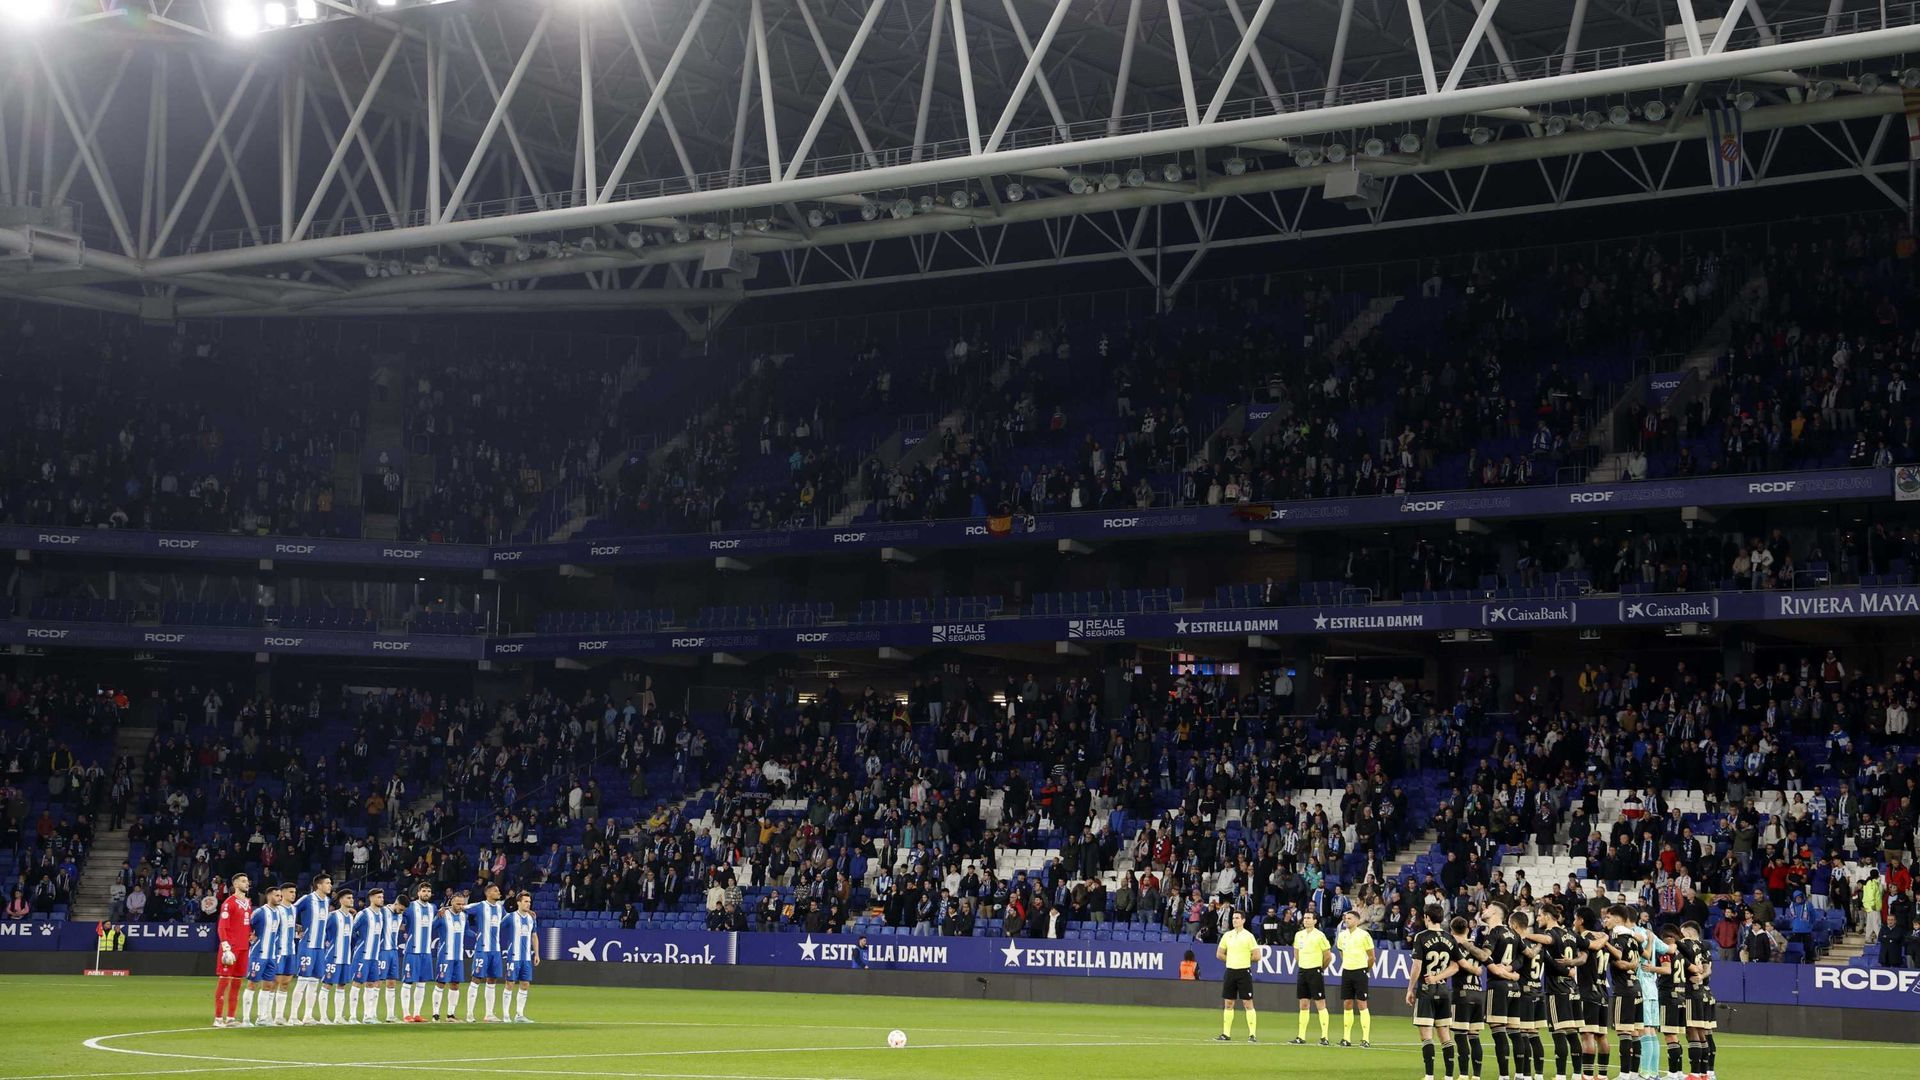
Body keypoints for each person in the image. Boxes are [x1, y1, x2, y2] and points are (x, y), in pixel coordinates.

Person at [1406, 902, 1462, 1080]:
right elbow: (1455, 966)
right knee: (1445, 1035)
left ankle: (1429, 1076)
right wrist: (1439, 978)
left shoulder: (1421, 936)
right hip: (1444, 990)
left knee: (1426, 1036)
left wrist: (1410, 988)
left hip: (1426, 990)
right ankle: (1448, 1076)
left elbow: (1417, 965)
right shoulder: (1450, 938)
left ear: (1427, 917)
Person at [1536, 903, 1587, 1080]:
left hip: (1557, 989)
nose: (1538, 918)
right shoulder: (1571, 934)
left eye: (1539, 915)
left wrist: (1525, 934)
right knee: (1573, 1034)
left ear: (1548, 916)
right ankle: (1577, 1074)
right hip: (1573, 988)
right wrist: (1574, 964)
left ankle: (1559, 1075)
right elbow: (1587, 949)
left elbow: (1548, 950)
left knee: (1558, 1033)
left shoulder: (1550, 934)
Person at [1483, 901, 1528, 1080]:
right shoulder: (1515, 935)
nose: (1484, 910)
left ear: (1494, 913)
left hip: (1498, 986)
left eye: (1488, 908)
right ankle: (1519, 1075)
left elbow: (1486, 957)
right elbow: (1521, 959)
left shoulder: (1494, 932)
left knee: (1499, 1033)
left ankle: (1503, 1076)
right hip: (1514, 989)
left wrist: (1503, 972)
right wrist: (1511, 972)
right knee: (1515, 1033)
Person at [1602, 905, 1645, 1080]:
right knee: (1635, 1033)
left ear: (1618, 919)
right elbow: (1644, 954)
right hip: (1636, 987)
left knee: (1624, 1032)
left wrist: (1605, 943)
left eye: (1608, 917)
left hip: (1624, 990)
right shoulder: (1633, 939)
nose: (1605, 920)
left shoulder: (1618, 937)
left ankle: (1624, 1074)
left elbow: (1618, 956)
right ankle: (1634, 1074)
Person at [1573, 906, 1612, 1080]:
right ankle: (1602, 1075)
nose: (1574, 922)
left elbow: (1583, 959)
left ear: (1581, 920)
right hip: (1603, 991)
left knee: (1587, 1034)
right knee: (1602, 1036)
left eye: (1575, 919)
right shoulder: (1602, 940)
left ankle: (1587, 1075)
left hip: (1588, 991)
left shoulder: (1585, 939)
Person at [290, 872, 334, 1024]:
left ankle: (308, 1015)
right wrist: (297, 929)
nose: (330, 885)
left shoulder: (327, 900)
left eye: (330, 883)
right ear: (319, 885)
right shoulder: (308, 899)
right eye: (327, 883)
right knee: (302, 981)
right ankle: (293, 1016)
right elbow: (290, 911)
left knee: (314, 982)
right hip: (307, 946)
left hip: (320, 948)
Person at [1449, 916, 1487, 1080]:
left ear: (1452, 931)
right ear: (1468, 930)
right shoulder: (1476, 949)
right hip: (1478, 993)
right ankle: (1477, 1076)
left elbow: (1453, 967)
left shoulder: (1453, 948)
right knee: (1475, 1036)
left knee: (1460, 1035)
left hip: (1462, 994)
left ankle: (1464, 1074)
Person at [212, 871, 252, 1029]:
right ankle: (217, 1018)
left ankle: (230, 1017)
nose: (246, 883)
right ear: (235, 884)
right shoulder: (229, 903)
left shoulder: (248, 903)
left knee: (236, 984)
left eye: (247, 881)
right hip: (231, 949)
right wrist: (226, 948)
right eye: (243, 881)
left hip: (243, 948)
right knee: (223, 983)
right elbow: (222, 927)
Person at [1678, 921, 1718, 1078]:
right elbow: (1708, 968)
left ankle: (1695, 1073)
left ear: (1687, 933)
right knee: (1704, 1034)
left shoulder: (1686, 945)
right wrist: (1701, 976)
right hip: (1704, 993)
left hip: (1691, 993)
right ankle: (1706, 1072)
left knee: (1692, 1031)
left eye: (1682, 933)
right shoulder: (1703, 947)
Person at [241, 883, 283, 1028]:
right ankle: (246, 1019)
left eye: (280, 896)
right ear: (269, 896)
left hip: (271, 955)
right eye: (277, 895)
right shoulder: (260, 912)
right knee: (252, 984)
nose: (279, 898)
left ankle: (261, 1017)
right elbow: (247, 927)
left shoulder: (278, 913)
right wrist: (250, 936)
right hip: (259, 954)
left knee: (268, 985)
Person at [466, 882, 507, 1022]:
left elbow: (512, 918)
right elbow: (462, 908)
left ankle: (489, 1014)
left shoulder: (501, 908)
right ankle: (470, 1014)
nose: (498, 892)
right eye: (495, 890)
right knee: (476, 979)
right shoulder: (480, 906)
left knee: (492, 980)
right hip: (482, 949)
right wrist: (446, 908)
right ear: (488, 893)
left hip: (495, 950)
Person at [1335, 908, 1376, 1047]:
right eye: (1346, 918)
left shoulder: (1364, 935)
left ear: (1357, 921)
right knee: (1347, 1003)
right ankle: (1346, 1038)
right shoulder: (1342, 936)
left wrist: (1365, 969)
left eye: (1350, 918)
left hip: (1360, 971)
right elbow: (1341, 952)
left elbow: (1371, 956)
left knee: (1362, 1004)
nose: (1347, 920)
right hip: (1347, 971)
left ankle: (1365, 1038)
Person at [1290, 909, 1332, 1045]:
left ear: (1315, 921)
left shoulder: (1320, 936)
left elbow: (1328, 956)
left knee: (1320, 1003)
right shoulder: (1299, 935)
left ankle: (1324, 1036)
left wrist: (1320, 968)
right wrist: (1302, 963)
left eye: (1309, 918)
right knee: (1303, 1004)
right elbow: (1296, 952)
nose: (1306, 920)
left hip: (1315, 971)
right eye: (1305, 918)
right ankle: (1301, 1036)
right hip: (1303, 971)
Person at [350, 887, 389, 1024]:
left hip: (374, 956)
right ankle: (353, 1016)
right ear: (371, 898)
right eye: (379, 897)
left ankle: (368, 1016)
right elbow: (352, 931)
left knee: (372, 984)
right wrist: (359, 945)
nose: (381, 899)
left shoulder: (381, 915)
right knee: (357, 983)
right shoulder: (364, 914)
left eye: (382, 897)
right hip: (362, 954)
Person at [319, 891, 358, 1024]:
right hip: (333, 956)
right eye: (348, 898)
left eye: (352, 897)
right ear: (341, 900)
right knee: (327, 985)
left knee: (341, 986)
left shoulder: (350, 917)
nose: (351, 900)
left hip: (346, 957)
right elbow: (322, 931)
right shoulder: (333, 916)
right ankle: (323, 1017)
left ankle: (338, 1017)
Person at [431, 890, 470, 1022]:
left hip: (458, 956)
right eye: (458, 903)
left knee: (455, 984)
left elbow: (467, 930)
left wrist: (477, 936)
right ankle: (435, 1014)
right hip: (445, 955)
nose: (460, 906)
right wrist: (438, 914)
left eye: (462, 904)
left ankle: (450, 1015)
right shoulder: (443, 914)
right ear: (452, 902)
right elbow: (432, 926)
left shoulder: (464, 916)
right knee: (441, 983)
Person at [402, 882, 437, 1022]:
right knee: (408, 982)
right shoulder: (410, 907)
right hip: (412, 951)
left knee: (422, 983)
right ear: (418, 893)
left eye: (428, 891)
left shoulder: (433, 908)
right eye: (424, 891)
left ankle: (417, 1013)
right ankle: (406, 1014)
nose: (426, 893)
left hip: (426, 952)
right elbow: (399, 916)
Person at [503, 890, 540, 1023]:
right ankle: (506, 1015)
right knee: (510, 983)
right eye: (525, 901)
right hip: (513, 956)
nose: (528, 904)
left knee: (525, 984)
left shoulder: (531, 918)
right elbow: (497, 928)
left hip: (526, 957)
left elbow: (534, 936)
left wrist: (536, 954)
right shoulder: (510, 917)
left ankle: (519, 1014)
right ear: (518, 902)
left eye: (529, 902)